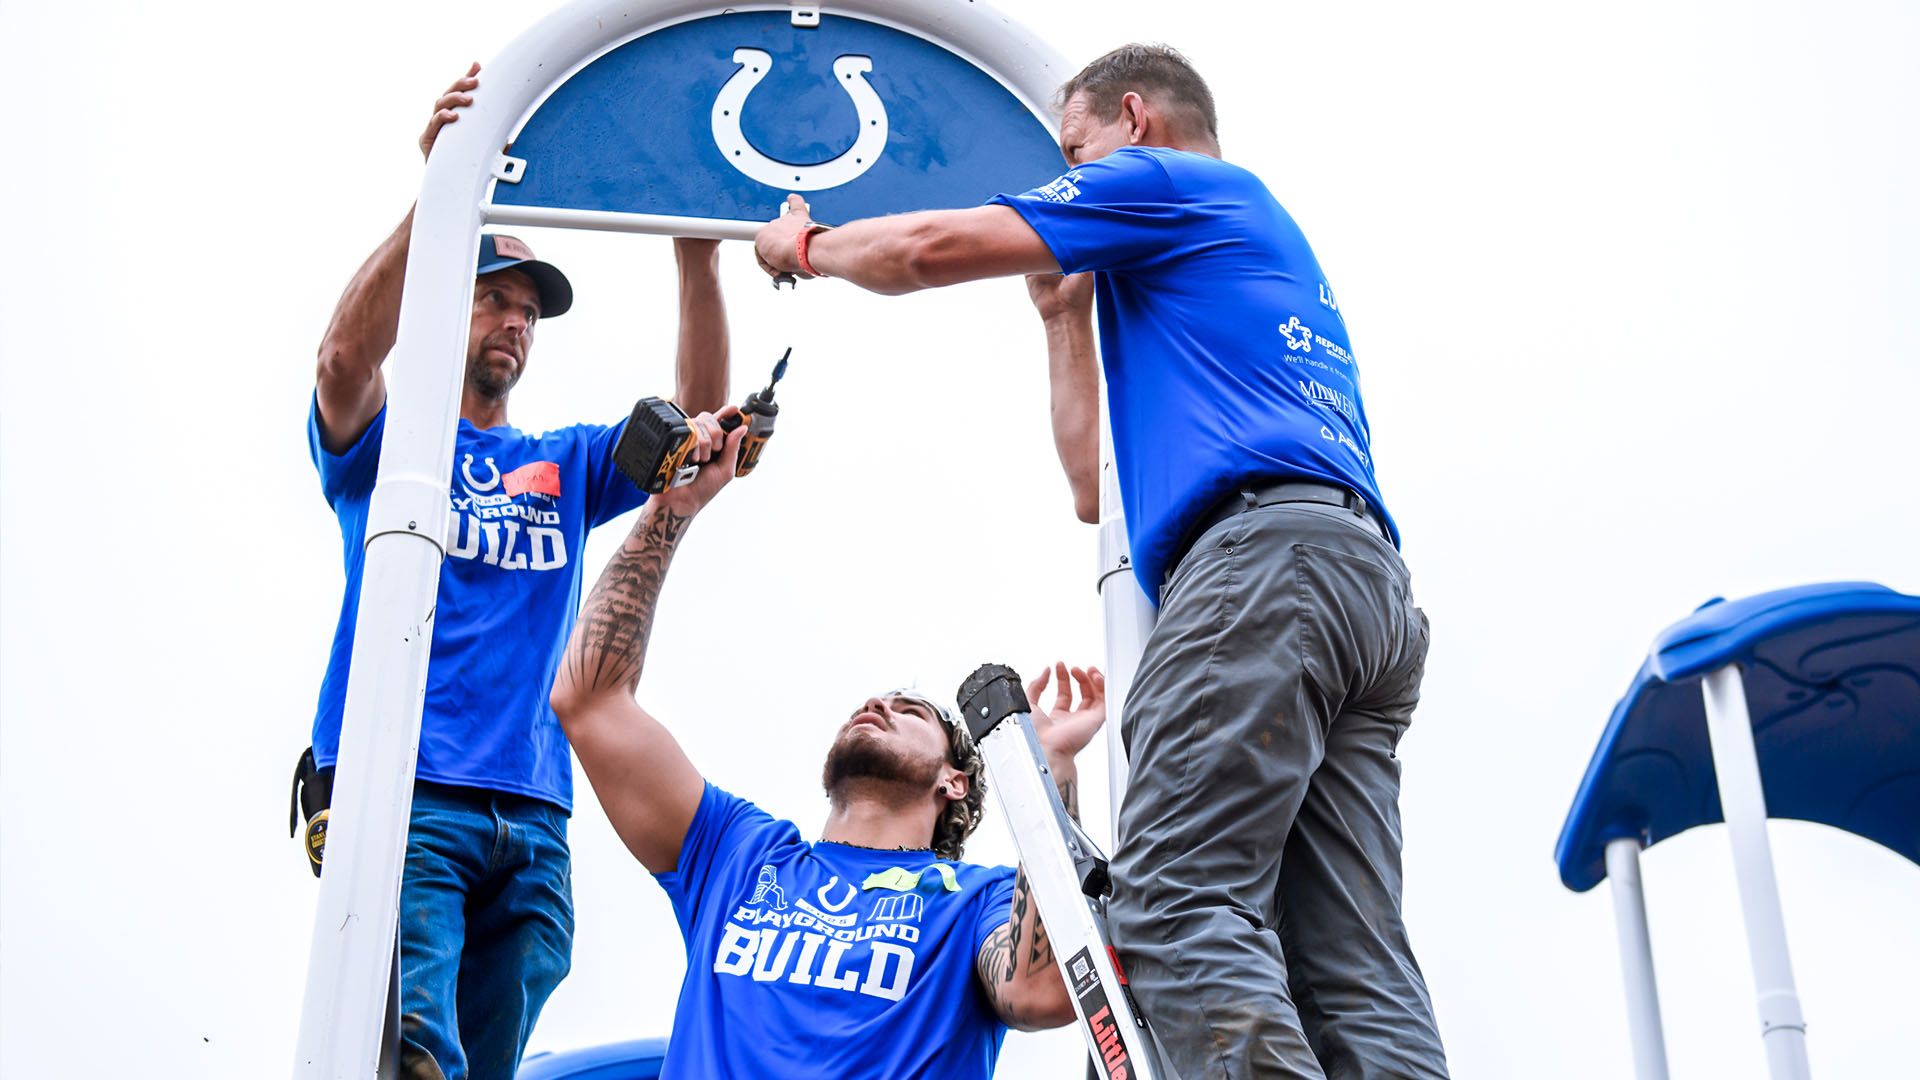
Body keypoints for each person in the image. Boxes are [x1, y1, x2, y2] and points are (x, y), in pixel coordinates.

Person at [751, 43, 1446, 1080]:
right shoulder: (1211, 257)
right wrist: (1061, 315)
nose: (1068, 179)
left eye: (1075, 153)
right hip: (1351, 584)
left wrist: (805, 247)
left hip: (1256, 573)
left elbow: (933, 246)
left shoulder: (1166, 182)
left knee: (1174, 901)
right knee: (1349, 951)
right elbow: (1095, 491)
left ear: (1135, 118)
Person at [304, 63, 730, 1080]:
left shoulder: (563, 464)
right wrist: (439, 197)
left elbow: (696, 432)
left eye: (528, 313)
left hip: (533, 812)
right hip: (412, 792)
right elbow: (339, 365)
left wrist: (694, 251)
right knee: (417, 1044)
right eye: (494, 299)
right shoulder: (393, 448)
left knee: (490, 1047)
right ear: (446, 299)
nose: (514, 324)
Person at [547, 412, 1100, 1077]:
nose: (876, 705)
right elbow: (588, 699)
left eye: (908, 710)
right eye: (874, 702)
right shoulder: (738, 854)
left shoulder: (972, 901)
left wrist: (1046, 773)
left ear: (955, 781)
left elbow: (1039, 991)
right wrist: (671, 507)